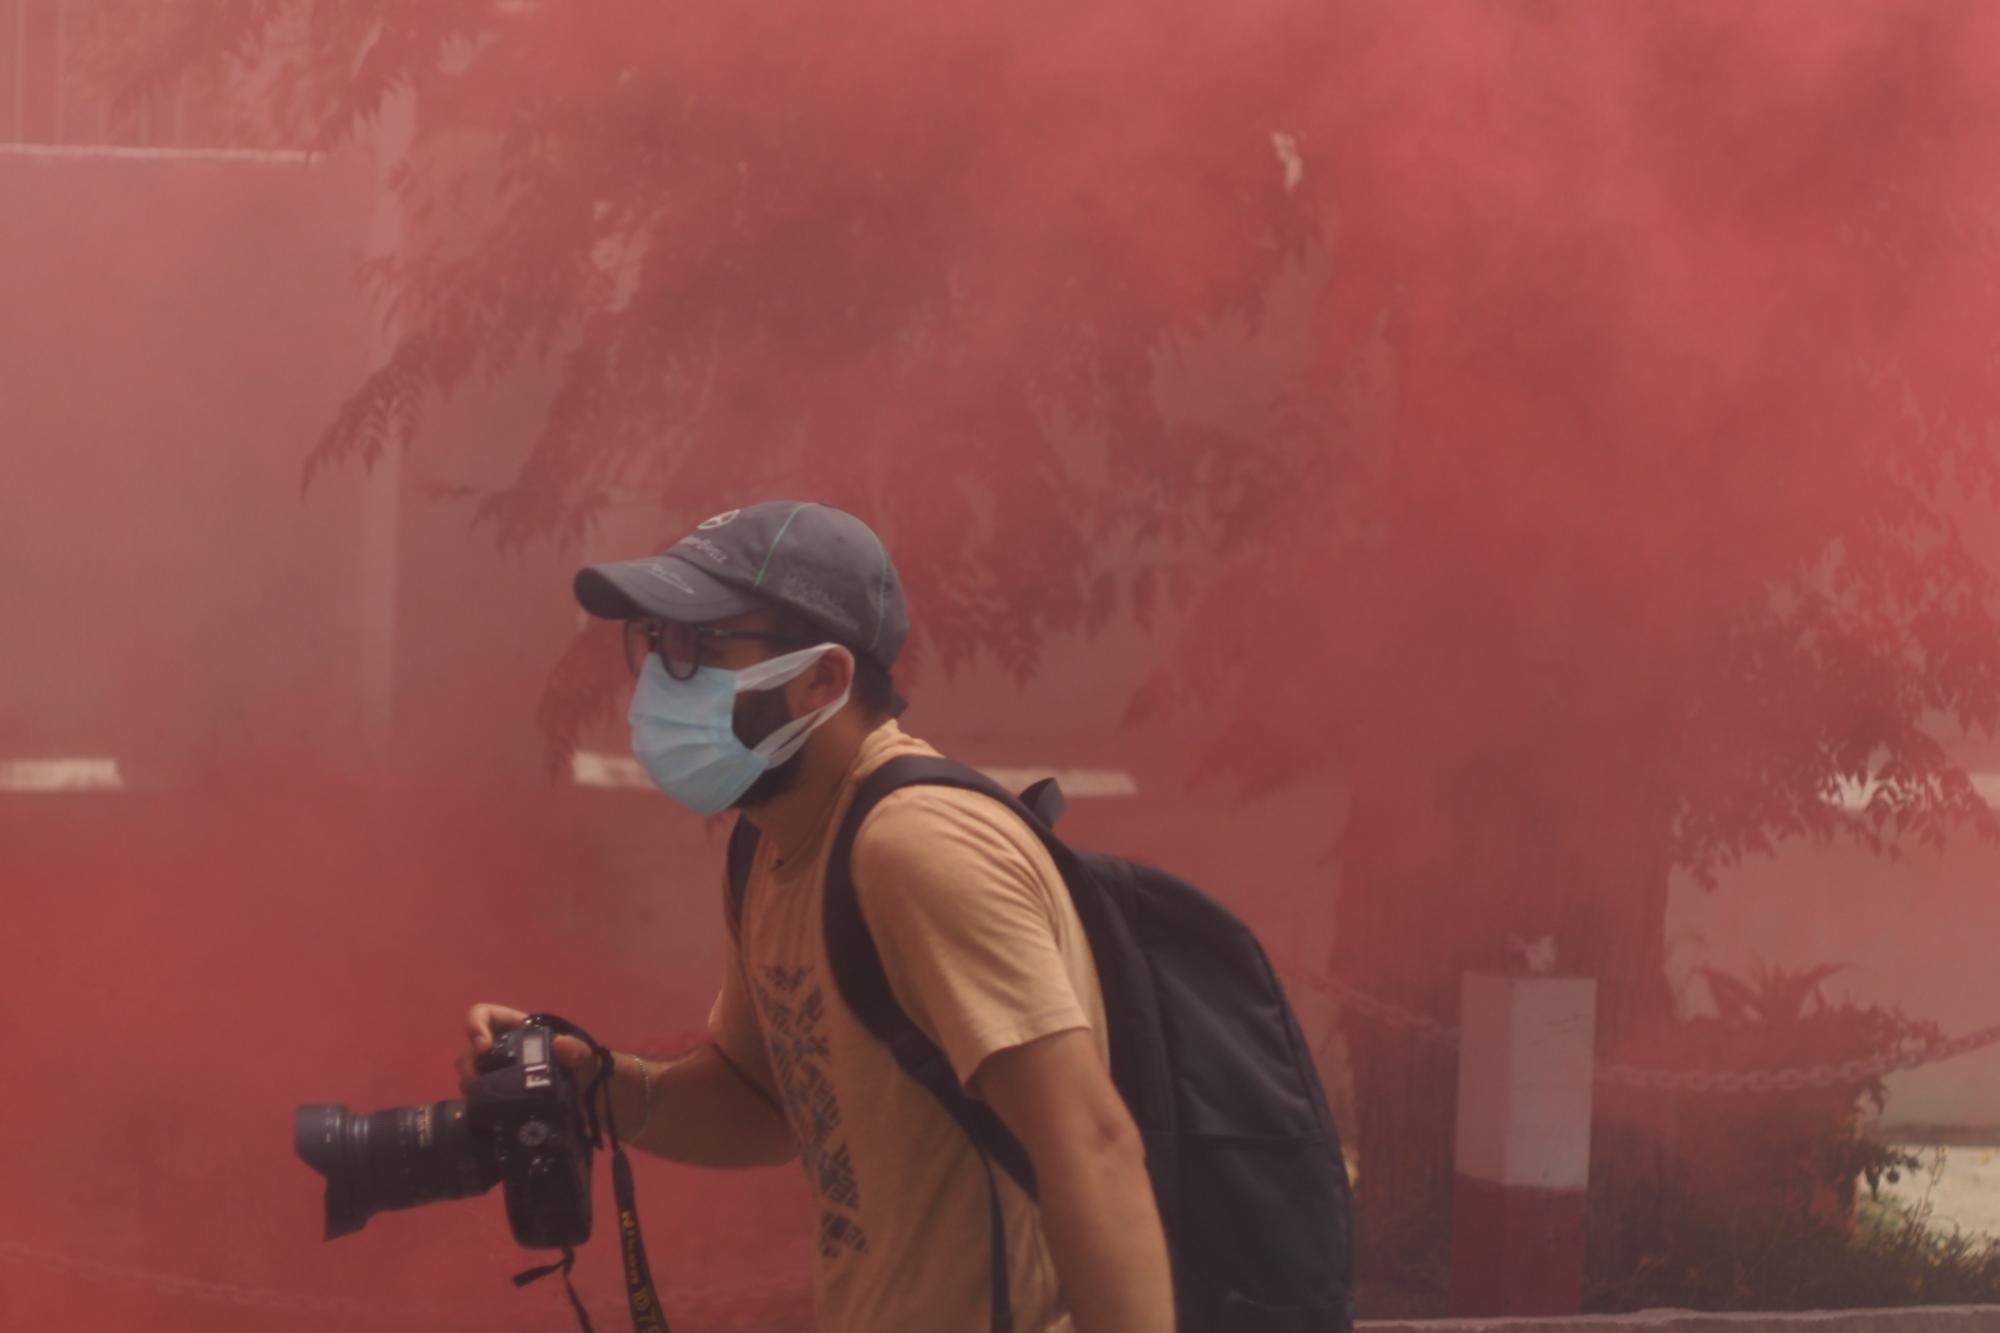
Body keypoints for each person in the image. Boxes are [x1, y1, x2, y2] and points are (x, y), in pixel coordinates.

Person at [459, 501, 1174, 1333]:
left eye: (700, 647)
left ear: (823, 679)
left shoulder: (915, 846)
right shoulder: (773, 841)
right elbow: (766, 1106)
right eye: (655, 642)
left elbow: (1092, 1145)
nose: (660, 674)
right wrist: (599, 1085)